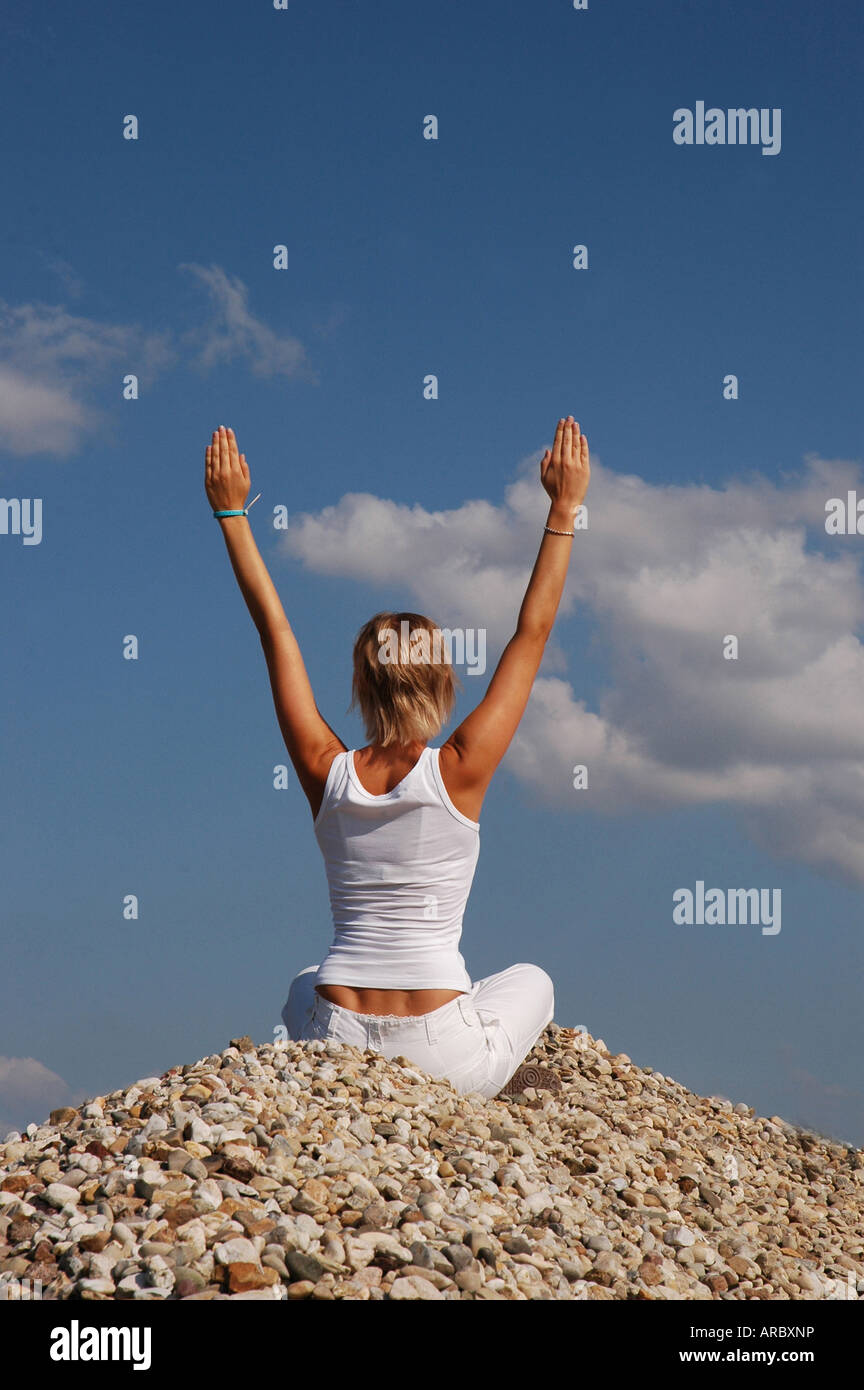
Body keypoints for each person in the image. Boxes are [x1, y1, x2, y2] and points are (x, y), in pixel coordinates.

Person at [205, 417, 590, 1098]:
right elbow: (532, 634)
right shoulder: (461, 768)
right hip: (443, 1052)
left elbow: (276, 630)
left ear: (360, 685)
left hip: (337, 1039)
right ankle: (486, 1068)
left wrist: (232, 511)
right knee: (535, 980)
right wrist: (563, 508)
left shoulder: (326, 767)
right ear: (444, 683)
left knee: (302, 983)